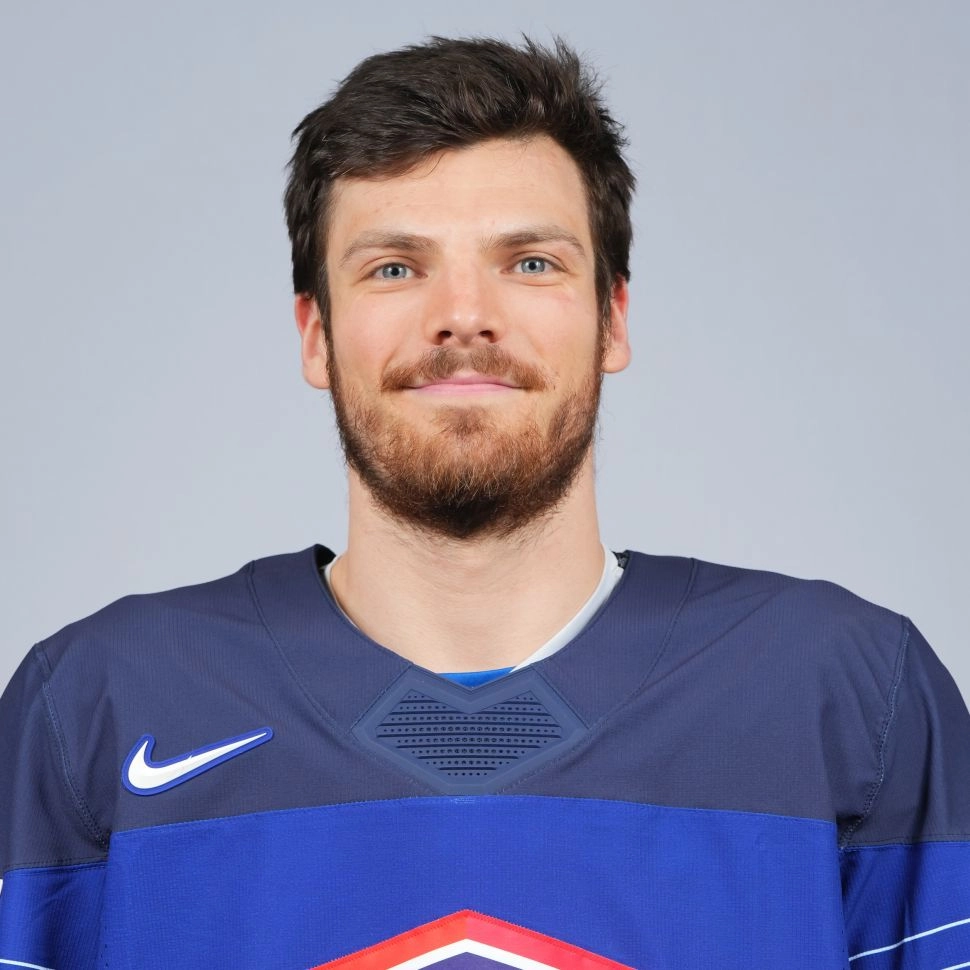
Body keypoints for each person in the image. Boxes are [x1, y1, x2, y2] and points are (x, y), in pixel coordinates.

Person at [1, 35, 968, 970]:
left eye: (530, 262)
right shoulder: (97, 710)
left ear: (612, 319)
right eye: (395, 267)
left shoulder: (844, 699)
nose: (463, 315)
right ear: (315, 335)